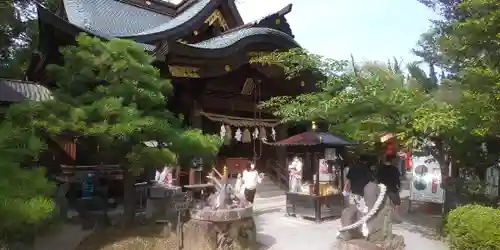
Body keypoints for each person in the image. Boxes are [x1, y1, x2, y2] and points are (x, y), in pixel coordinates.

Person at [374, 154, 402, 221]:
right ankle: (396, 217)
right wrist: (399, 186)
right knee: (397, 203)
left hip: (382, 189)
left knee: (380, 204)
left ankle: (378, 218)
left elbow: (377, 179)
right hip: (392, 188)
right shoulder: (394, 169)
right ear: (391, 161)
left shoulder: (380, 169)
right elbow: (397, 179)